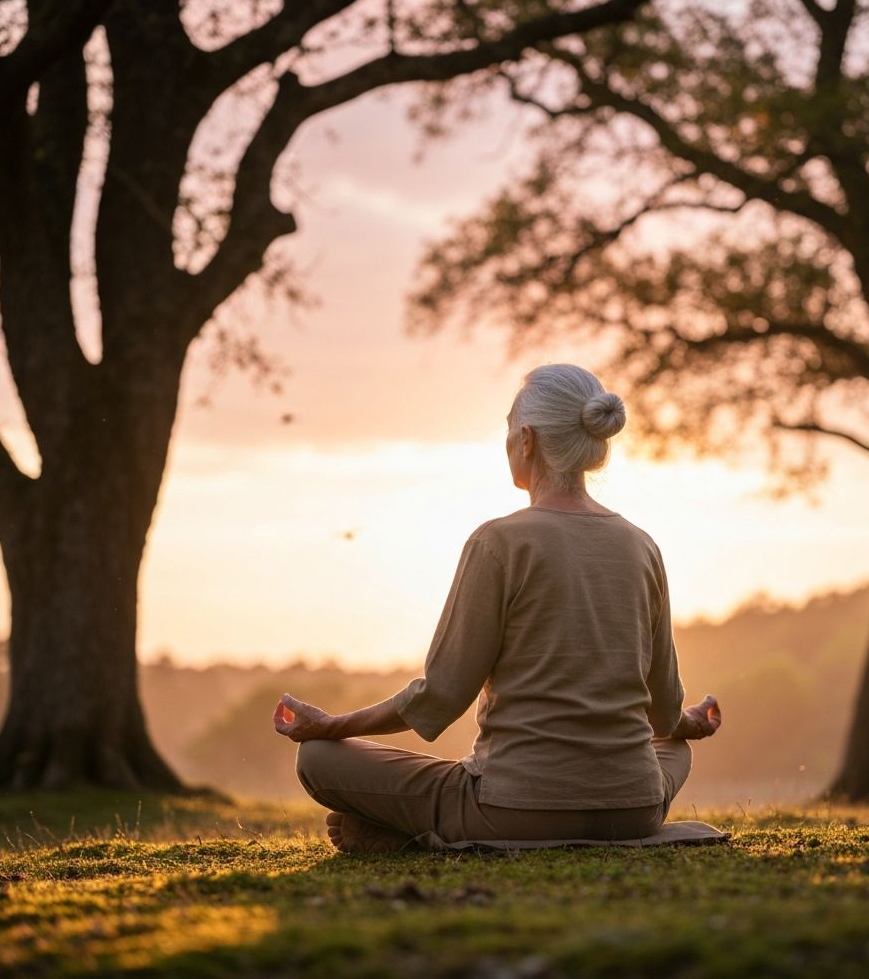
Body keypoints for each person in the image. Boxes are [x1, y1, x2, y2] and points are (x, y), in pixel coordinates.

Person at [274, 363, 722, 853]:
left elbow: (439, 698)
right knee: (674, 749)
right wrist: (688, 724)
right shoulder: (642, 545)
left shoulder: (496, 543)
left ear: (526, 439)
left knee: (317, 758)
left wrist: (330, 725)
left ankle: (414, 834)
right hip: (632, 808)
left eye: (509, 432)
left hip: (515, 809)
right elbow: (664, 714)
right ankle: (417, 831)